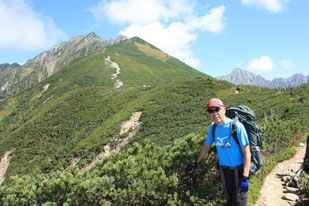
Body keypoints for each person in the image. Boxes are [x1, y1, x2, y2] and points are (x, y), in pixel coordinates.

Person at [192, 98, 251, 206]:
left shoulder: (236, 127)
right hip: (224, 173)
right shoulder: (213, 127)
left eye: (217, 109)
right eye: (211, 111)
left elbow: (247, 151)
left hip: (238, 174)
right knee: (230, 202)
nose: (215, 113)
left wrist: (245, 176)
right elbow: (206, 147)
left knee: (240, 203)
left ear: (224, 110)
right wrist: (196, 162)